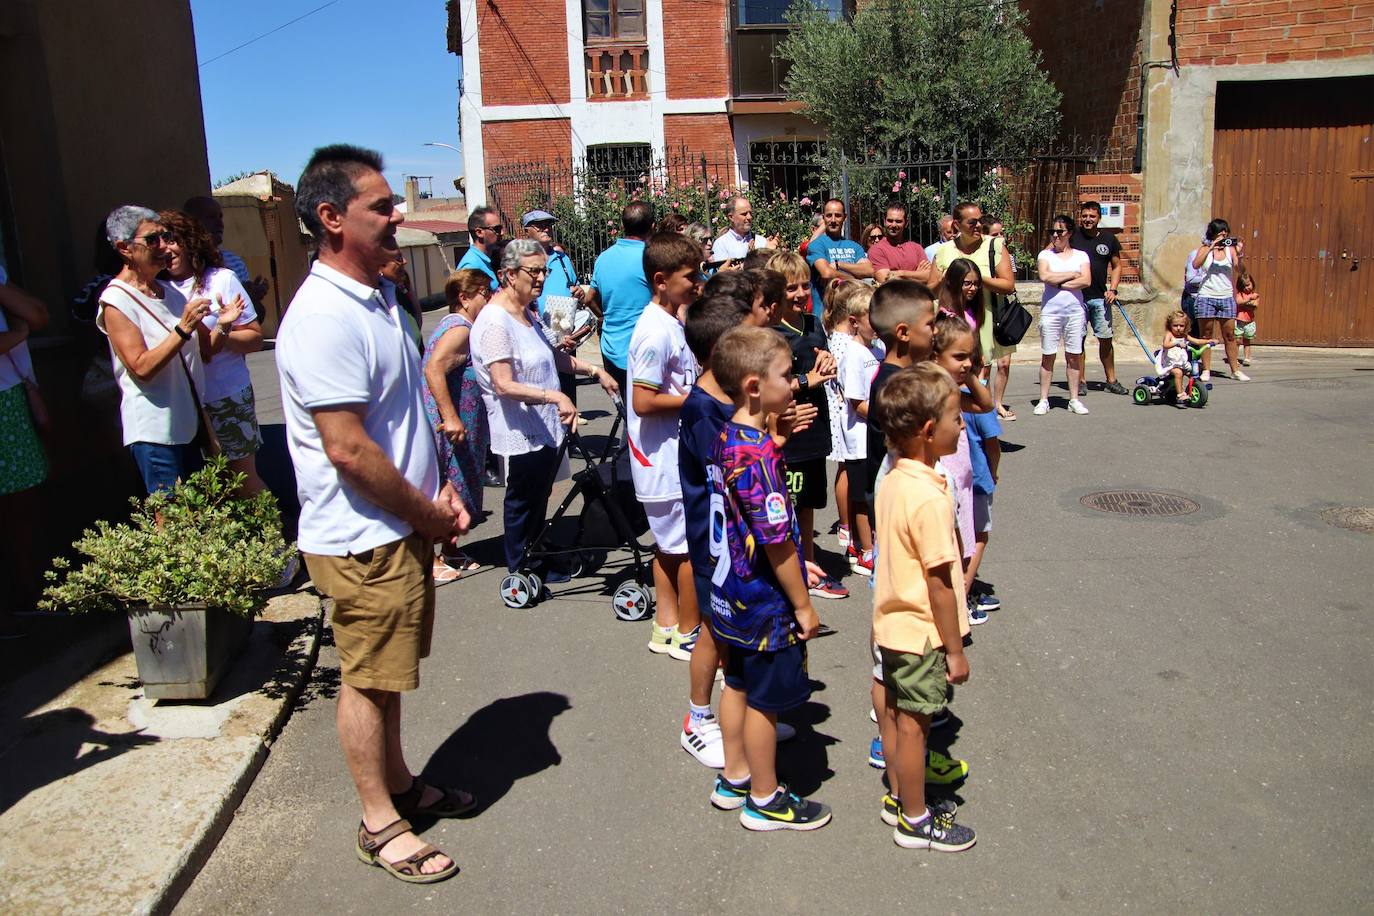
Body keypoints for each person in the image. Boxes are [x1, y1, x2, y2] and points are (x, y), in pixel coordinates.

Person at [275, 144, 470, 884]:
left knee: (389, 674)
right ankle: (378, 821)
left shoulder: (379, 296)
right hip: (363, 536)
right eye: (382, 207)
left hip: (401, 525)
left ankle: (400, 784)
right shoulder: (323, 316)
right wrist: (426, 514)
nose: (399, 217)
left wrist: (439, 489)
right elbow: (350, 452)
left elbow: (403, 415)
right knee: (366, 676)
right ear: (331, 218)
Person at [707, 325, 831, 831]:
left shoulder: (733, 437)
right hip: (764, 600)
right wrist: (803, 603)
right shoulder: (755, 454)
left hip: (730, 592)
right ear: (755, 386)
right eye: (787, 375)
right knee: (765, 701)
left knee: (736, 682)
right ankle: (765, 796)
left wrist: (776, 442)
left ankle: (734, 776)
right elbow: (778, 541)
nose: (795, 381)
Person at [870, 362, 976, 852]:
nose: (962, 425)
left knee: (895, 718)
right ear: (931, 432)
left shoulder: (895, 478)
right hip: (920, 633)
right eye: (957, 418)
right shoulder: (929, 499)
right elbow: (939, 585)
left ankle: (899, 795)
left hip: (890, 626)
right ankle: (915, 818)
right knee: (916, 729)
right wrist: (954, 650)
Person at [678, 288, 784, 768]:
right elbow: (725, 475)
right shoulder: (702, 409)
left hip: (740, 548)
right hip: (714, 544)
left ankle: (743, 715)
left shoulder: (734, 404)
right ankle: (698, 718)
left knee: (736, 632)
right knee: (713, 630)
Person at [472, 238, 618, 581]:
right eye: (533, 271)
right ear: (508, 274)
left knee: (539, 495)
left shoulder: (525, 313)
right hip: (521, 426)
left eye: (544, 270)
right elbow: (503, 384)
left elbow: (552, 356)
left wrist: (594, 371)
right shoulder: (496, 321)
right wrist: (556, 397)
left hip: (541, 423)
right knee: (523, 499)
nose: (540, 278)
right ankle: (522, 566)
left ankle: (538, 553)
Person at [97, 205, 218, 495]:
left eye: (165, 235)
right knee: (173, 522)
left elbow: (207, 350)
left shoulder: (170, 293)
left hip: (189, 425)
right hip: (156, 433)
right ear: (125, 248)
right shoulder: (116, 301)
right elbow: (141, 367)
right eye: (152, 240)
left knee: (202, 518)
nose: (164, 246)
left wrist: (222, 324)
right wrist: (182, 329)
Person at [630, 233, 703, 661]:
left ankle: (666, 625)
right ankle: (690, 633)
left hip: (669, 457)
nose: (697, 283)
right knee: (691, 548)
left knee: (669, 547)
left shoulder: (670, 321)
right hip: (662, 461)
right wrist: (696, 400)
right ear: (661, 280)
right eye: (689, 277)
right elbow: (643, 401)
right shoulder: (653, 332)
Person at [160, 209, 266, 496]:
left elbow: (254, 338)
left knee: (241, 478)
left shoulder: (222, 279)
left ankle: (276, 538)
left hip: (226, 393)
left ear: (189, 240)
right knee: (203, 485)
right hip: (183, 401)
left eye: (171, 239)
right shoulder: (157, 289)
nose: (165, 248)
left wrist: (224, 330)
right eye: (159, 242)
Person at [766, 251, 845, 600]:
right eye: (791, 288)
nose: (800, 294)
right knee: (785, 503)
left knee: (809, 501)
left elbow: (824, 362)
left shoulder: (813, 324)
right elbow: (769, 387)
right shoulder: (769, 334)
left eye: (803, 286)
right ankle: (787, 571)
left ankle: (809, 563)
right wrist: (806, 380)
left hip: (815, 429)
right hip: (786, 430)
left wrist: (828, 359)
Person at [421, 268, 493, 581]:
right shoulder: (460, 328)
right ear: (463, 298)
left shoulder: (464, 326)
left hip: (463, 423)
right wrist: (450, 417)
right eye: (482, 293)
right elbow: (434, 369)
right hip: (451, 426)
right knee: (449, 486)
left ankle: (449, 550)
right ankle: (430, 558)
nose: (488, 298)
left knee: (460, 485)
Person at [0, 266, 50, 638]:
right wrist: (16, 333)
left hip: (8, 397)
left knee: (21, 506)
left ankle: (26, 594)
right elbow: (28, 322)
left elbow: (38, 314)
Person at [930, 313, 981, 624]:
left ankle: (958, 614)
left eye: (971, 357)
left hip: (962, 479)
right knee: (945, 557)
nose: (967, 363)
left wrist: (969, 372)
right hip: (945, 481)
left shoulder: (955, 388)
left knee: (961, 548)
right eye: (960, 356)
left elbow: (985, 403)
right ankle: (952, 624)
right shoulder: (935, 391)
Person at [826, 282, 880, 576]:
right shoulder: (854, 354)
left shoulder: (877, 349)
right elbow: (857, 402)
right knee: (861, 497)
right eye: (873, 318)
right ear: (855, 322)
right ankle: (863, 550)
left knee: (874, 495)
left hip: (875, 438)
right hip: (859, 437)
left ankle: (869, 542)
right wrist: (887, 417)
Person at [930, 201, 1017, 373]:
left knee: (980, 372)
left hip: (984, 319)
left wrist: (975, 278)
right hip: (951, 324)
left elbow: (1008, 285)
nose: (978, 225)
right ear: (957, 224)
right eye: (972, 222)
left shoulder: (994, 246)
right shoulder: (944, 251)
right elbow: (931, 292)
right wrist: (944, 280)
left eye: (980, 220)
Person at [525, 209, 596, 405]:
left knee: (566, 385)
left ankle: (570, 433)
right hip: (536, 332)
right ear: (527, 230)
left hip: (564, 329)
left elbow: (573, 285)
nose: (546, 228)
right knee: (543, 387)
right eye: (540, 225)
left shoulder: (562, 258)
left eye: (548, 224)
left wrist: (579, 293)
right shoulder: (523, 260)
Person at [591, 201, 654, 393]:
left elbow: (589, 298)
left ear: (622, 226)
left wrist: (603, 316)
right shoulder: (651, 258)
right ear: (652, 227)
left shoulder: (603, 258)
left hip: (611, 348)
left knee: (628, 412)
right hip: (645, 349)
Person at [1033, 216, 1092, 416]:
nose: (1056, 236)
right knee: (1048, 355)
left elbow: (1086, 281)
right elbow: (1045, 276)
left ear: (1070, 233)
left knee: (1074, 355)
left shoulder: (1081, 255)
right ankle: (1043, 399)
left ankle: (1074, 398)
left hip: (1074, 312)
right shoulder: (1045, 254)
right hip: (1051, 312)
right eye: (1053, 232)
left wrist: (1058, 282)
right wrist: (1071, 275)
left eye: (1060, 232)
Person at [1070, 201, 1127, 396]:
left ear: (1098, 218)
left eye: (1092, 216)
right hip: (1076, 298)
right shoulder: (1072, 236)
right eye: (1084, 216)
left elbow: (1117, 266)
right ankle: (1081, 381)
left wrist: (1113, 289)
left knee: (1106, 340)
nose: (1087, 220)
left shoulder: (1109, 239)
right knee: (1079, 341)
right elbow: (1051, 250)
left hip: (1100, 299)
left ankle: (1111, 380)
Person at [962, 373, 1002, 617]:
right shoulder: (973, 400)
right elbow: (993, 446)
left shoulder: (942, 394)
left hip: (958, 481)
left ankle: (968, 589)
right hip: (977, 480)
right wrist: (994, 473)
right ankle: (962, 598)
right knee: (978, 538)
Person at [183, 195, 269, 307]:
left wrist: (251, 299)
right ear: (192, 222)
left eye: (220, 217)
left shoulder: (234, 261)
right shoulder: (181, 264)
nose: (220, 224)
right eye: (211, 218)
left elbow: (249, 317)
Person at [1191, 218, 1250, 381]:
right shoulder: (1205, 248)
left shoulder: (1230, 251)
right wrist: (1211, 247)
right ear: (1213, 234)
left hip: (1225, 296)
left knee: (1230, 335)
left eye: (1225, 232)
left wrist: (1239, 253)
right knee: (1206, 335)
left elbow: (1241, 271)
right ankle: (1206, 370)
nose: (1223, 235)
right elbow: (1195, 265)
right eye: (1220, 232)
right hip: (1206, 296)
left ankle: (1235, 370)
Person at [805, 199, 872, 313]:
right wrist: (856, 280)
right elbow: (826, 273)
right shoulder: (816, 245)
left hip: (851, 314)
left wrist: (838, 264)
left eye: (838, 215)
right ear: (824, 217)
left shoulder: (854, 246)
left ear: (845, 218)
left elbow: (869, 270)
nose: (833, 220)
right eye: (829, 215)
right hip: (825, 316)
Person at [1157, 310, 1217, 409]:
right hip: (1170, 363)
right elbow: (1165, 345)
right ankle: (1180, 394)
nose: (1178, 328)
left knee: (1191, 373)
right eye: (1175, 325)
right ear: (1170, 325)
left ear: (1186, 326)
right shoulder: (1169, 335)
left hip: (1181, 362)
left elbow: (1196, 341)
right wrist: (1176, 343)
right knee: (1178, 373)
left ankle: (1197, 387)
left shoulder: (1184, 336)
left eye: (1181, 325)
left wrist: (1209, 341)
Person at [867, 203, 932, 286]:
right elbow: (886, 282)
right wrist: (917, 274)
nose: (893, 225)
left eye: (898, 221)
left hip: (918, 298)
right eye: (890, 221)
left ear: (906, 223)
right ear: (884, 221)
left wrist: (901, 274)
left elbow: (929, 276)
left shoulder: (917, 248)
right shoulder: (876, 250)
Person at [380, 250, 424, 351]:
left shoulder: (403, 280)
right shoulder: (377, 296)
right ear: (380, 265)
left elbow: (416, 310)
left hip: (416, 347)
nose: (405, 261)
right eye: (398, 259)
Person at [711, 195, 777, 261]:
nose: (749, 217)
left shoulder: (761, 241)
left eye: (750, 213)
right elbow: (724, 270)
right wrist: (750, 258)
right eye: (744, 214)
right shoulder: (721, 244)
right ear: (731, 217)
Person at [457, 206, 502, 290]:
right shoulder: (471, 267)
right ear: (479, 232)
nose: (502, 233)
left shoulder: (491, 259)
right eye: (497, 229)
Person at [936, 256, 983, 330]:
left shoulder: (972, 307)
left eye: (976, 283)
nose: (973, 288)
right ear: (954, 282)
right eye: (967, 283)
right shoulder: (946, 315)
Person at [1234, 266, 1259, 366]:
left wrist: (1246, 304)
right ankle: (1234, 358)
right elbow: (1238, 302)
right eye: (1244, 286)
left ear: (1252, 283)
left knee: (1247, 340)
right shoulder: (1240, 294)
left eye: (1248, 285)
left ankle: (1247, 358)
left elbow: (1255, 306)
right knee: (1237, 340)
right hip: (1239, 321)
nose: (1246, 288)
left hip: (1249, 322)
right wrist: (1248, 301)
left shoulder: (1256, 295)